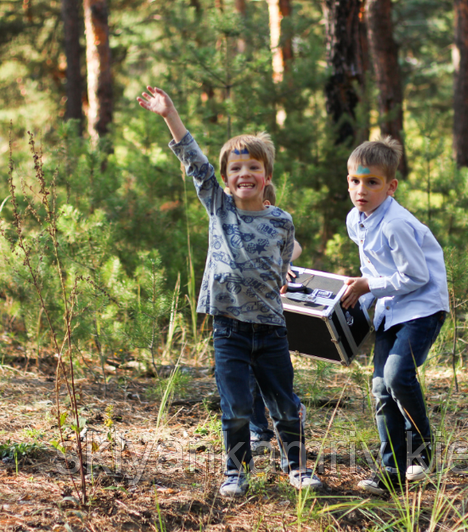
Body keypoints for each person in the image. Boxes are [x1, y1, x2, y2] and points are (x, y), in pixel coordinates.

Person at [137, 86, 322, 498]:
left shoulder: (281, 221)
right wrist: (170, 114)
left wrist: (282, 276)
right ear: (225, 179)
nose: (244, 175)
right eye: (236, 169)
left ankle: (297, 468)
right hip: (229, 328)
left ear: (267, 176)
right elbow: (194, 161)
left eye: (253, 167)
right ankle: (236, 472)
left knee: (284, 405)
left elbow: (282, 263)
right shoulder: (219, 208)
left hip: (271, 328)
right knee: (236, 405)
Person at [340, 137, 449, 496]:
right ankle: (391, 472)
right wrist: (360, 293)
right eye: (355, 181)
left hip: (422, 307)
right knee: (380, 389)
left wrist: (369, 284)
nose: (361, 190)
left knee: (397, 374)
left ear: (391, 186)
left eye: (372, 182)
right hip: (390, 309)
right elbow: (371, 266)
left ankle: (422, 449)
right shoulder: (356, 220)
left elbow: (415, 276)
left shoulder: (396, 224)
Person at [249, 183, 305, 454]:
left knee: (272, 380)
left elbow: (295, 247)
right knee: (248, 377)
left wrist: (285, 262)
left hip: (270, 323)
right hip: (242, 320)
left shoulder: (276, 228)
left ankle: (292, 408)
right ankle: (257, 430)